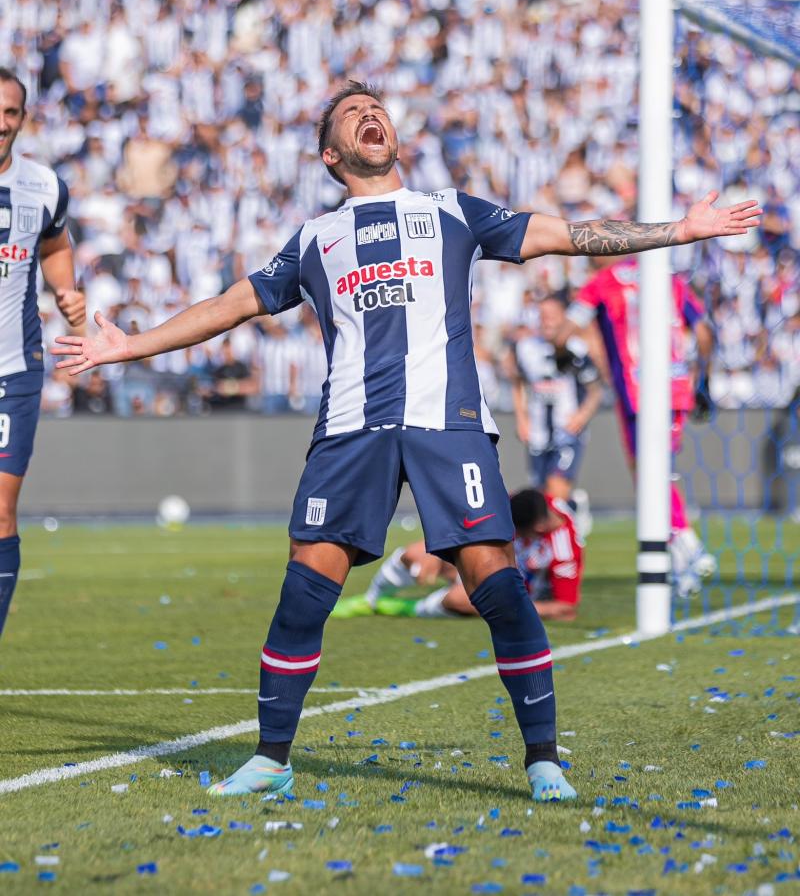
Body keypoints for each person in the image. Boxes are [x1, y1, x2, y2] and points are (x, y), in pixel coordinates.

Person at [53, 80, 761, 803]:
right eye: (353, 115)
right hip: (351, 429)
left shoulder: (452, 210)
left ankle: (543, 758)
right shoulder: (315, 239)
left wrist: (679, 229)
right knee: (305, 590)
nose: (372, 116)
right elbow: (230, 306)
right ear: (332, 153)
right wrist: (128, 346)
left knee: (497, 581)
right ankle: (272, 757)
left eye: (378, 110)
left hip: (445, 423)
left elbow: (563, 234)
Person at [567, 255, 717, 595]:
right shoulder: (667, 277)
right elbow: (704, 330)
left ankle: (688, 545)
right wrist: (704, 380)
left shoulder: (604, 281)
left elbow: (570, 323)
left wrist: (569, 351)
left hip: (637, 390)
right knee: (660, 470)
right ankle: (682, 566)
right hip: (676, 387)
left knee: (649, 474)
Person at [0, 68, 85, 639]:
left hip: (12, 372)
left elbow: (54, 242)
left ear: (23, 120)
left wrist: (66, 290)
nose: (0, 123)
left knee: (1, 512)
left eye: (10, 112)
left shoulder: (44, 186)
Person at [333, 487, 583, 622]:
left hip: (510, 588)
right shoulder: (534, 502)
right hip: (482, 563)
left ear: (537, 529)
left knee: (459, 598)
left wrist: (518, 608)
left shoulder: (564, 552)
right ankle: (371, 599)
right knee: (417, 553)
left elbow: (565, 608)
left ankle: (401, 608)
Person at [511, 294, 602, 532]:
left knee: (554, 493)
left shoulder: (576, 349)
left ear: (564, 317)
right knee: (541, 498)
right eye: (542, 316)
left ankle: (567, 544)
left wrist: (581, 416)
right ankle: (574, 507)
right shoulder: (526, 348)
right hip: (539, 433)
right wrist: (521, 418)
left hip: (566, 432)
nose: (547, 321)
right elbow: (518, 383)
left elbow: (595, 390)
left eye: (552, 316)